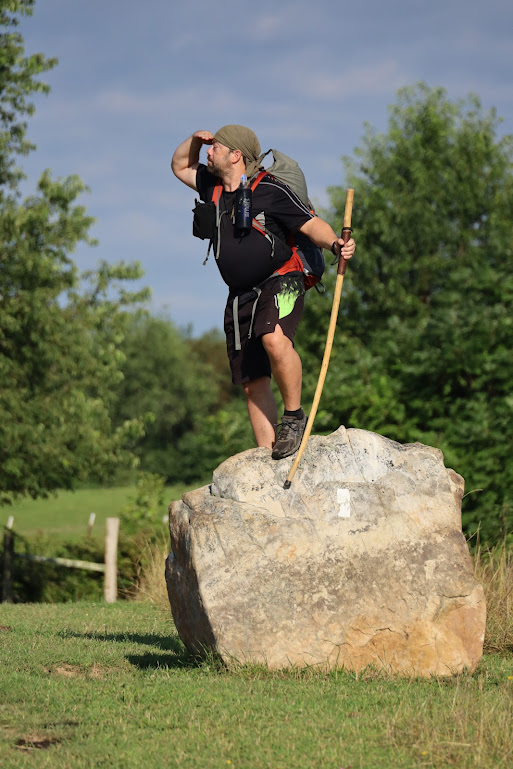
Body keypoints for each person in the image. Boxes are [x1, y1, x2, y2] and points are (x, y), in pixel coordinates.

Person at [171, 125, 355, 460]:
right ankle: (268, 460)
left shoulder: (271, 189)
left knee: (274, 339)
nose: (209, 152)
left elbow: (310, 223)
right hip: (239, 295)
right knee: (252, 380)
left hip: (281, 280)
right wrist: (196, 139)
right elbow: (180, 165)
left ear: (235, 155)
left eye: (216, 147)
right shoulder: (212, 186)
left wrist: (335, 244)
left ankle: (294, 418)